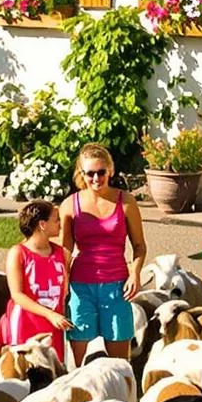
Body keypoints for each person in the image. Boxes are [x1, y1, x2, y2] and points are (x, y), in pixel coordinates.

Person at [58, 143, 147, 358]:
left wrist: (135, 274)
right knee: (80, 363)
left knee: (119, 362)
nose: (96, 178)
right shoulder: (70, 205)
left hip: (117, 286)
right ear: (82, 173)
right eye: (90, 173)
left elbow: (139, 245)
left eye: (101, 172)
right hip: (81, 286)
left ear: (111, 171)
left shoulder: (126, 202)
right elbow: (65, 248)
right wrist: (62, 282)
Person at [0, 199, 72, 356]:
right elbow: (17, 295)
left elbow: (64, 292)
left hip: (54, 324)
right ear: (42, 225)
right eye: (56, 220)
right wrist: (49, 314)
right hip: (26, 321)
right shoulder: (18, 253)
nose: (60, 224)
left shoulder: (62, 254)